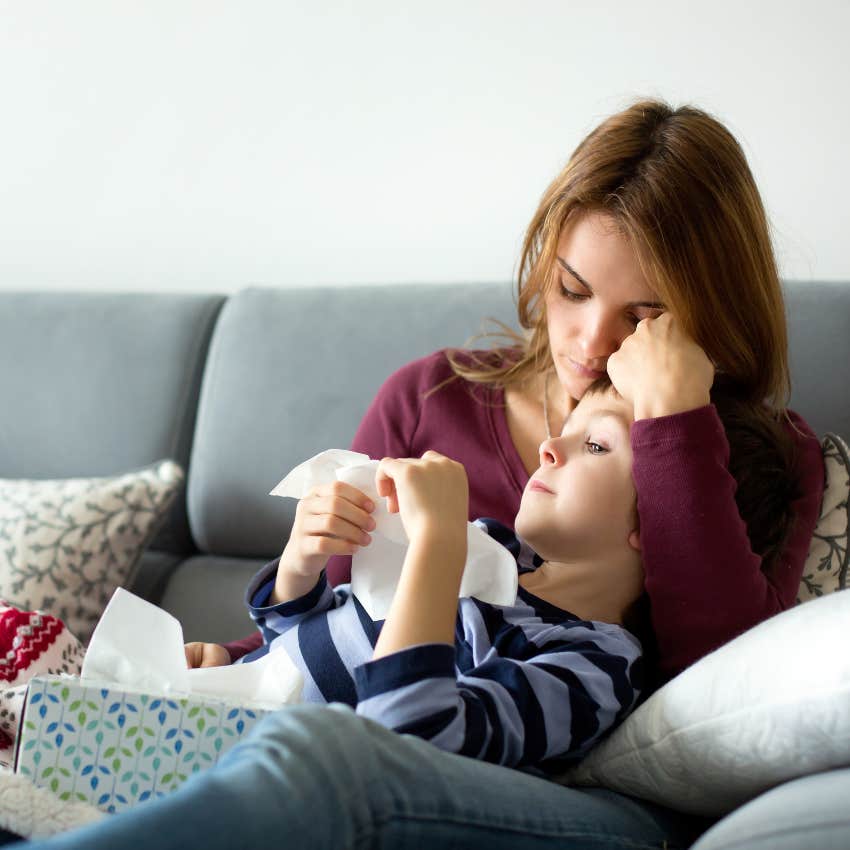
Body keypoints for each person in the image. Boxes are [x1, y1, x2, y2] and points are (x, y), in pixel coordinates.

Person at [11, 98, 825, 849]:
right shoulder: (428, 399)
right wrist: (235, 660)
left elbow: (721, 686)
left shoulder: (753, 452)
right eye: (572, 290)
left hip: (563, 783)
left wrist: (677, 424)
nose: (588, 342)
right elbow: (342, 633)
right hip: (342, 735)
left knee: (321, 755)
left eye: (642, 317)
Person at [232, 380, 647, 769]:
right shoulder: (494, 549)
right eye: (565, 430)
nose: (549, 446)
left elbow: (405, 737)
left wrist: (437, 541)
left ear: (656, 518)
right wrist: (300, 566)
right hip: (221, 711)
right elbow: (317, 643)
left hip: (277, 769)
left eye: (595, 445)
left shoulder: (598, 666)